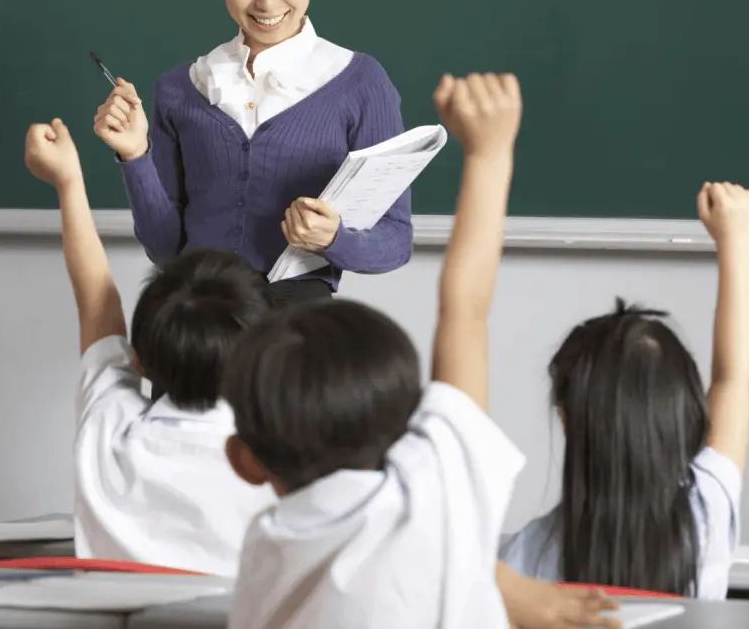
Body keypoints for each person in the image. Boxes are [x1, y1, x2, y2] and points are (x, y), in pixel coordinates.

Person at [219, 73, 620, 628]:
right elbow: (464, 311)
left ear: (244, 461)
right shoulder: (436, 495)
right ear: (408, 420)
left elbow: (464, 314)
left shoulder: (262, 553)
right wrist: (489, 152)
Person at [94, 0, 413, 308]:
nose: (266, 2)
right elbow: (165, 250)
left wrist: (334, 239)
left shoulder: (359, 82)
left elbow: (395, 240)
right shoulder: (180, 88)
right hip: (193, 327)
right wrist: (135, 156)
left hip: (297, 337)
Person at [26, 119, 278, 577]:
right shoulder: (275, 470)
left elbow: (97, 304)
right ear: (259, 365)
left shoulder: (109, 428)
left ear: (138, 361)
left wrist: (68, 182)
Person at [501, 182, 749, 598]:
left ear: (566, 418)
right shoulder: (705, 513)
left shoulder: (525, 557)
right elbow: (734, 378)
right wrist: (735, 238)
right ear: (686, 412)